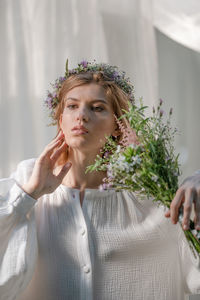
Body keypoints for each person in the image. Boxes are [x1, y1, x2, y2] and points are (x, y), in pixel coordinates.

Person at [0, 60, 200, 300]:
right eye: (72, 106)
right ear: (60, 118)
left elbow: (193, 263)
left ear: (119, 126)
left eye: (97, 108)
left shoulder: (147, 195)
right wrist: (28, 194)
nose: (82, 116)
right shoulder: (27, 179)